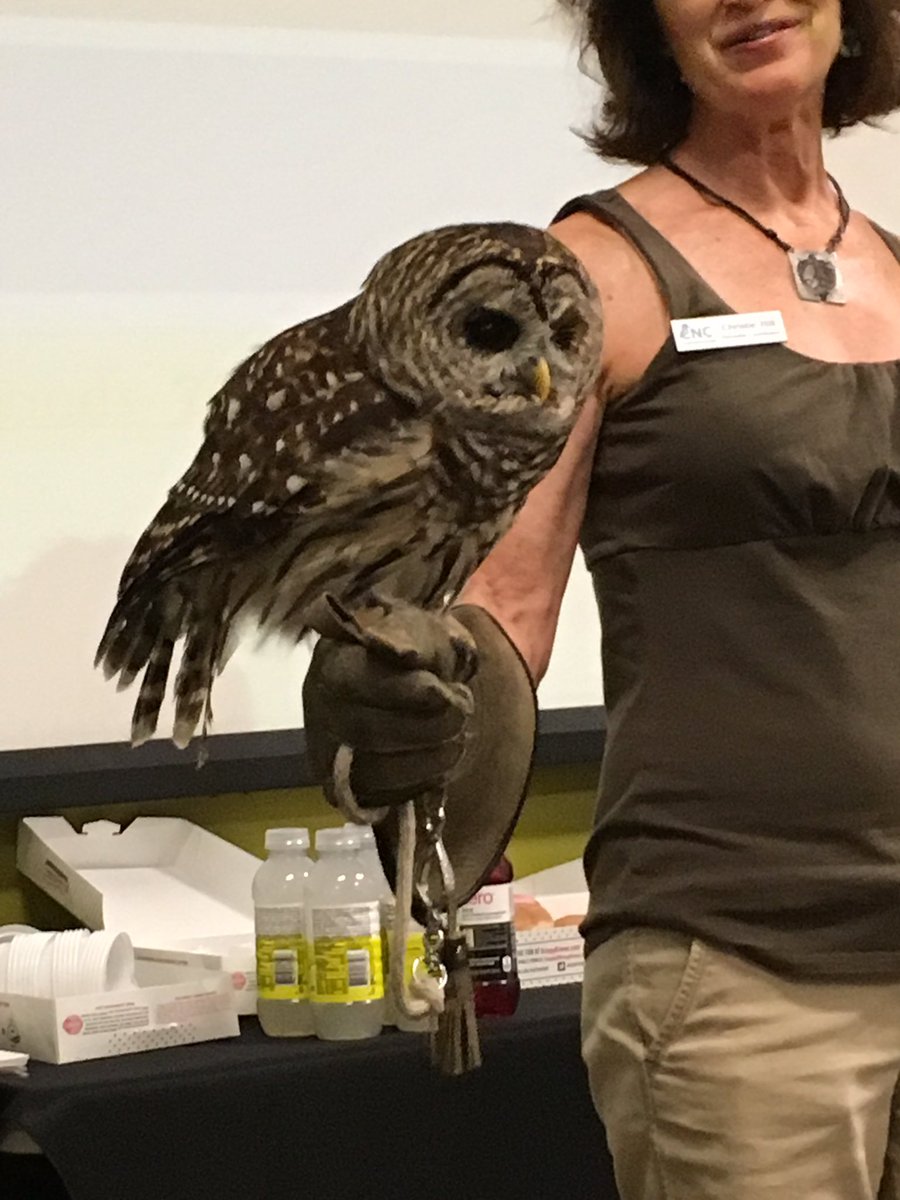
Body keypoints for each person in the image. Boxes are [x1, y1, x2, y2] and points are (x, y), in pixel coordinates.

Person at [303, 1, 900, 1195]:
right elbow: (501, 599)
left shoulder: (888, 260)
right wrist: (412, 681)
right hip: (741, 963)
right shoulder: (589, 273)